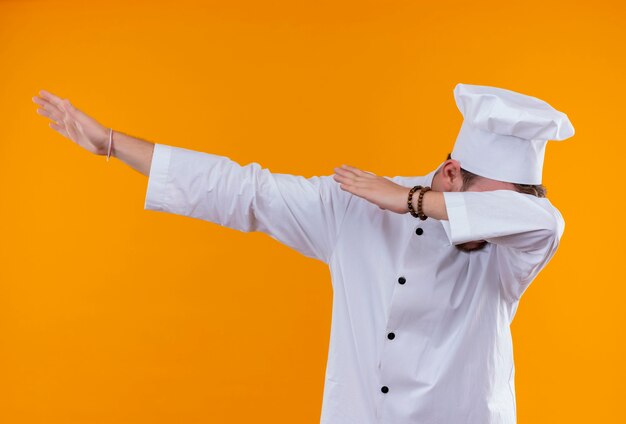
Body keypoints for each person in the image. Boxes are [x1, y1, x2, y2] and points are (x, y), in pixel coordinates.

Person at [32, 82, 574, 423]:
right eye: (485, 203)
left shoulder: (512, 251)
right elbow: (243, 190)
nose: (488, 223)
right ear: (452, 171)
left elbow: (541, 220)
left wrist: (410, 199)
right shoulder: (355, 208)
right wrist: (110, 143)